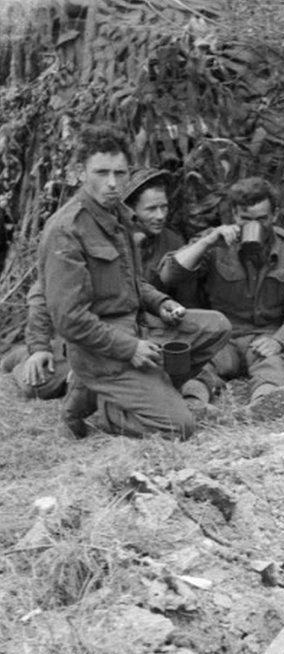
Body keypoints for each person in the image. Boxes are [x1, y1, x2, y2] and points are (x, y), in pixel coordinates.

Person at [37, 124, 230, 439]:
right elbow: (70, 320)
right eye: (101, 172)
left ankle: (134, 393)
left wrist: (161, 302)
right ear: (78, 172)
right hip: (100, 352)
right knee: (180, 427)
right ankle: (109, 411)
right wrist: (130, 349)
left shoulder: (119, 218)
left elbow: (131, 284)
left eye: (120, 173)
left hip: (137, 329)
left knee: (216, 326)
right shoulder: (66, 230)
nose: (112, 183)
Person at [160, 176, 284, 420]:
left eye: (262, 219)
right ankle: (194, 404)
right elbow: (170, 275)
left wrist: (281, 340)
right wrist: (209, 242)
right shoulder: (216, 241)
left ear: (274, 216)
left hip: (265, 336)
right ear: (234, 215)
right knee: (202, 364)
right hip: (225, 336)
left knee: (273, 366)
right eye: (246, 219)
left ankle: (264, 403)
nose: (255, 225)